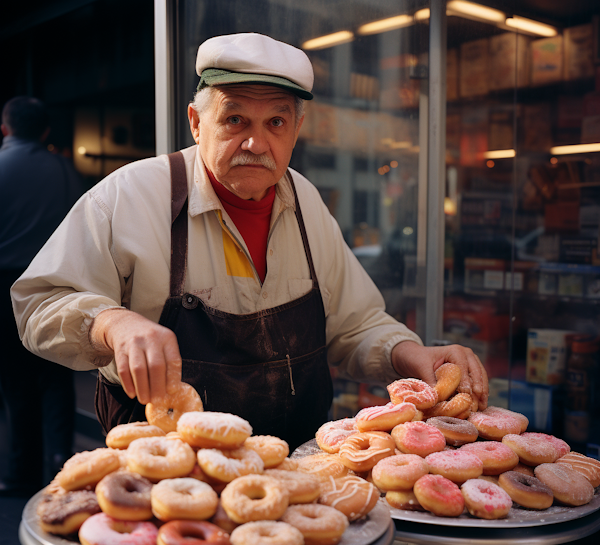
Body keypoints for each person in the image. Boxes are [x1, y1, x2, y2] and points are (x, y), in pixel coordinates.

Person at [11, 34, 488, 452]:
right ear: (198, 124)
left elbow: (354, 322)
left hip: (296, 471)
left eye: (275, 123)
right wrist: (111, 323)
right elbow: (39, 304)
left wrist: (413, 355)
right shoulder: (129, 196)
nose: (256, 143)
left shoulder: (306, 204)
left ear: (297, 131)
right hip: (168, 479)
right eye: (235, 119)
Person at [0, 96, 83, 496]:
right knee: (55, 377)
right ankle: (63, 467)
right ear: (46, 131)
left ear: (5, 128)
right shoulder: (64, 168)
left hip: (5, 286)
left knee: (15, 383)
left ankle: (20, 474)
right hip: (56, 282)